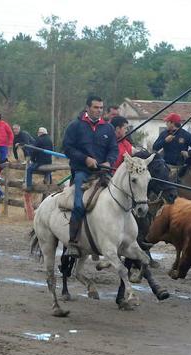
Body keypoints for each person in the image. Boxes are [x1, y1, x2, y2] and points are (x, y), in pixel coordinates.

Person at [63, 95, 118, 257]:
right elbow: (67, 148)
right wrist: (85, 159)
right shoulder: (75, 126)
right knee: (79, 205)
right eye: (95, 107)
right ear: (87, 108)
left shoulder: (108, 128)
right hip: (82, 173)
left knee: (122, 199)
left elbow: (114, 149)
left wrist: (109, 161)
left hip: (104, 172)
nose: (99, 111)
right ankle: (72, 242)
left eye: (101, 108)